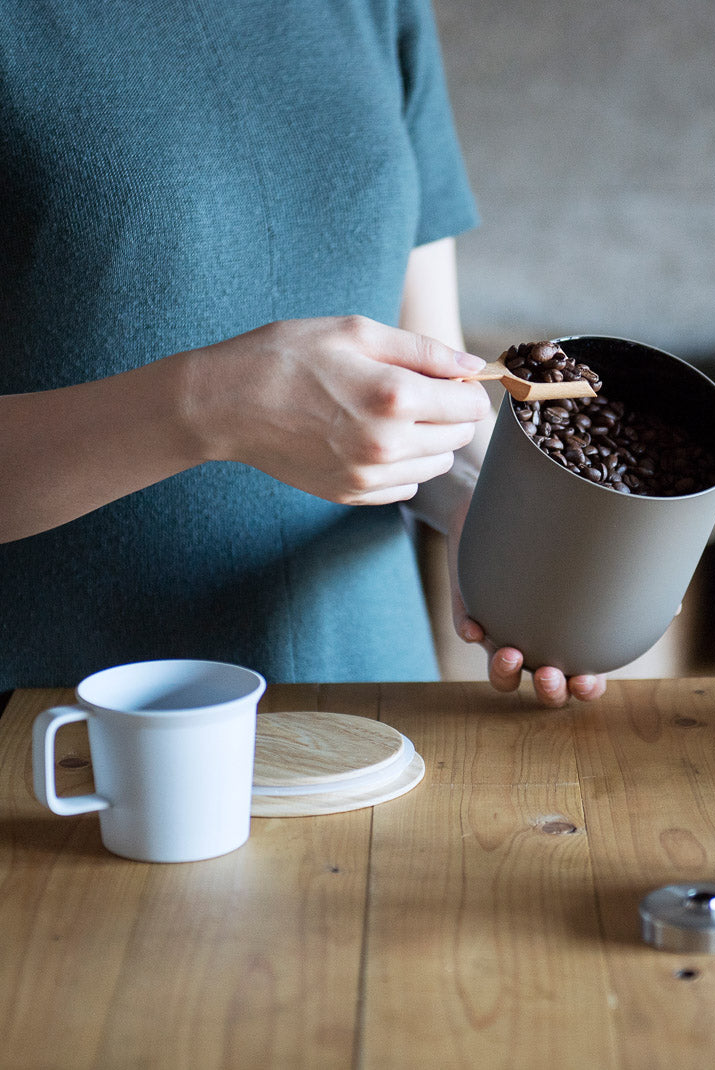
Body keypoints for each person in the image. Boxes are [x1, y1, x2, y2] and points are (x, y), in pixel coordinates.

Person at [0, 1, 606, 708]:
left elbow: (431, 365)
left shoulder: (378, 9)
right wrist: (207, 406)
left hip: (374, 707)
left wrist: (487, 512)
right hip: (67, 735)